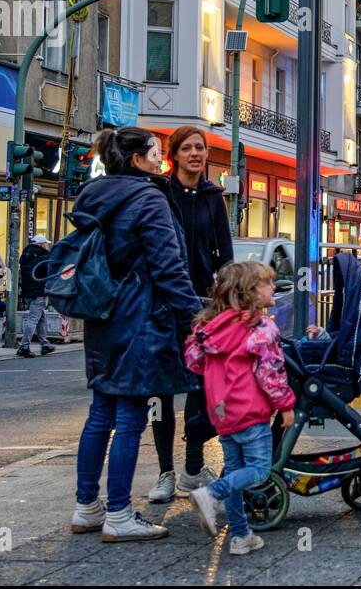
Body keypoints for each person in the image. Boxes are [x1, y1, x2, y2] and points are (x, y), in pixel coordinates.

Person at [69, 126, 201, 542]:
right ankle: (120, 514)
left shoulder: (93, 195)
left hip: (102, 314)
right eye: (157, 154)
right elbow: (168, 266)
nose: (162, 161)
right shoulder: (147, 199)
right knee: (129, 415)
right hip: (139, 316)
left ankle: (87, 506)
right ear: (137, 160)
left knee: (100, 412)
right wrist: (192, 316)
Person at [184, 260, 296, 556]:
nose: (274, 287)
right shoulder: (260, 328)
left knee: (234, 470)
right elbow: (270, 373)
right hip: (250, 411)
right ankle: (210, 494)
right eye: (268, 282)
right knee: (258, 470)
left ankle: (241, 535)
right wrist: (285, 405)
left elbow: (194, 360)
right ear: (250, 292)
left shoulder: (208, 328)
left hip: (221, 413)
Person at [148, 125, 234, 503]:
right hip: (163, 303)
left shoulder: (214, 197)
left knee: (203, 385)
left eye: (201, 147)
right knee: (160, 389)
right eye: (188, 148)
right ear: (175, 154)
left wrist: (227, 300)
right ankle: (165, 472)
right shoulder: (159, 193)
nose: (196, 153)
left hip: (202, 304)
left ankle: (193, 465)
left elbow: (225, 256)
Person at [17, 234, 57, 358]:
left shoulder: (25, 256)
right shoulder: (44, 257)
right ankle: (24, 346)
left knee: (41, 318)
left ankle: (44, 344)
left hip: (28, 292)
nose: (46, 245)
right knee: (33, 319)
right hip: (39, 291)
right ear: (40, 244)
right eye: (45, 243)